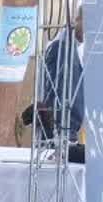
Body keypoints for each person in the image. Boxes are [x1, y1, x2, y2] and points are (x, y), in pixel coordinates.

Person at [36, 10, 87, 141]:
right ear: (76, 20)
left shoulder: (71, 48)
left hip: (64, 130)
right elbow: (55, 92)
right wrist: (64, 129)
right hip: (59, 132)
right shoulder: (61, 48)